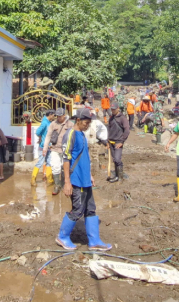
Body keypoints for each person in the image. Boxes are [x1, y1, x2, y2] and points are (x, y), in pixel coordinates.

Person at [55, 109, 112, 251]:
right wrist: (67, 182)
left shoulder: (81, 134)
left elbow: (84, 157)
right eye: (86, 123)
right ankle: (62, 237)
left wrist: (90, 175)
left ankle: (94, 241)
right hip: (76, 180)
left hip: (85, 179)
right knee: (78, 210)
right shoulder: (71, 134)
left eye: (89, 123)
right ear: (78, 120)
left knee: (91, 208)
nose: (87, 126)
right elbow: (66, 158)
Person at [43, 108, 74, 195]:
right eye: (57, 116)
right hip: (55, 149)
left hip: (66, 150)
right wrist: (45, 148)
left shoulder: (70, 124)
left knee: (65, 168)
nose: (59, 118)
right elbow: (48, 136)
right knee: (55, 166)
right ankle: (57, 185)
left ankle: (65, 184)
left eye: (60, 116)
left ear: (64, 115)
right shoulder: (53, 124)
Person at [106, 104, 130, 183]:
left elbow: (127, 130)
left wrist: (122, 141)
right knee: (114, 160)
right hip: (111, 141)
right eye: (111, 109)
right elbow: (109, 129)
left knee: (117, 159)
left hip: (118, 142)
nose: (112, 111)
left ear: (118, 108)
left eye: (114, 109)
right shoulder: (111, 118)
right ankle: (116, 176)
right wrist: (107, 141)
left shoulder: (122, 118)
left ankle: (120, 177)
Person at [31, 110, 55, 186]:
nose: (54, 117)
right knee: (40, 162)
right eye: (53, 115)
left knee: (49, 162)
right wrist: (41, 137)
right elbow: (38, 132)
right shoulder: (45, 122)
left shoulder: (48, 122)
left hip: (49, 146)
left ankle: (49, 179)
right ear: (50, 115)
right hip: (43, 146)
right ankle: (33, 179)